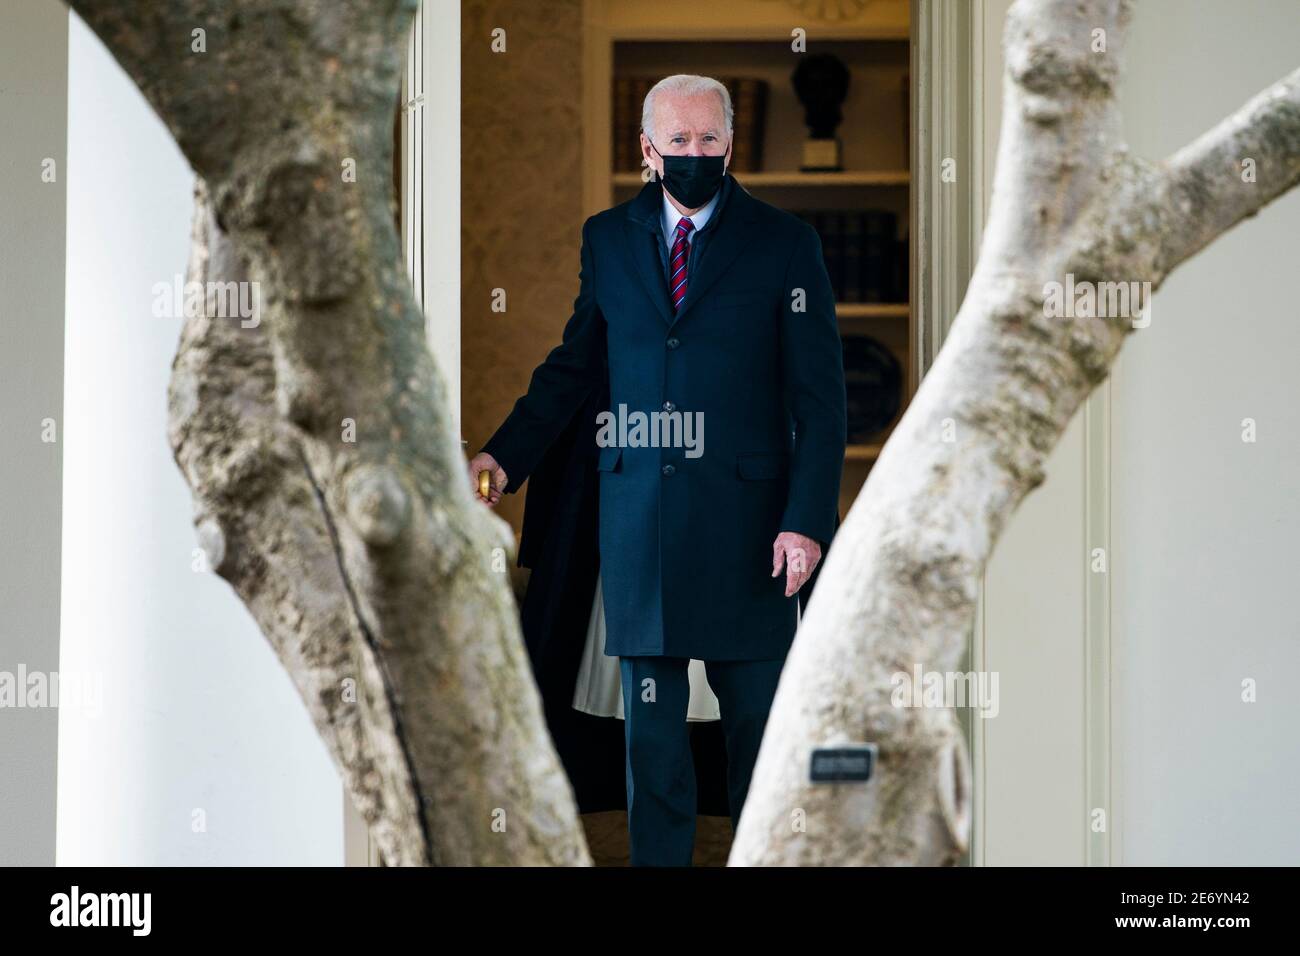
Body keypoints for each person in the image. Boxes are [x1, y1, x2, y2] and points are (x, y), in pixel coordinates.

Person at [468, 73, 846, 866]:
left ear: (731, 144)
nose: (696, 154)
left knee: (758, 740)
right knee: (654, 745)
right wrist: (505, 454)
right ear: (648, 149)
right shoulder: (608, 239)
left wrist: (807, 521)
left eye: (710, 139)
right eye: (679, 142)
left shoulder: (786, 245)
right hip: (640, 527)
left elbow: (821, 402)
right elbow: (573, 368)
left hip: (753, 534)